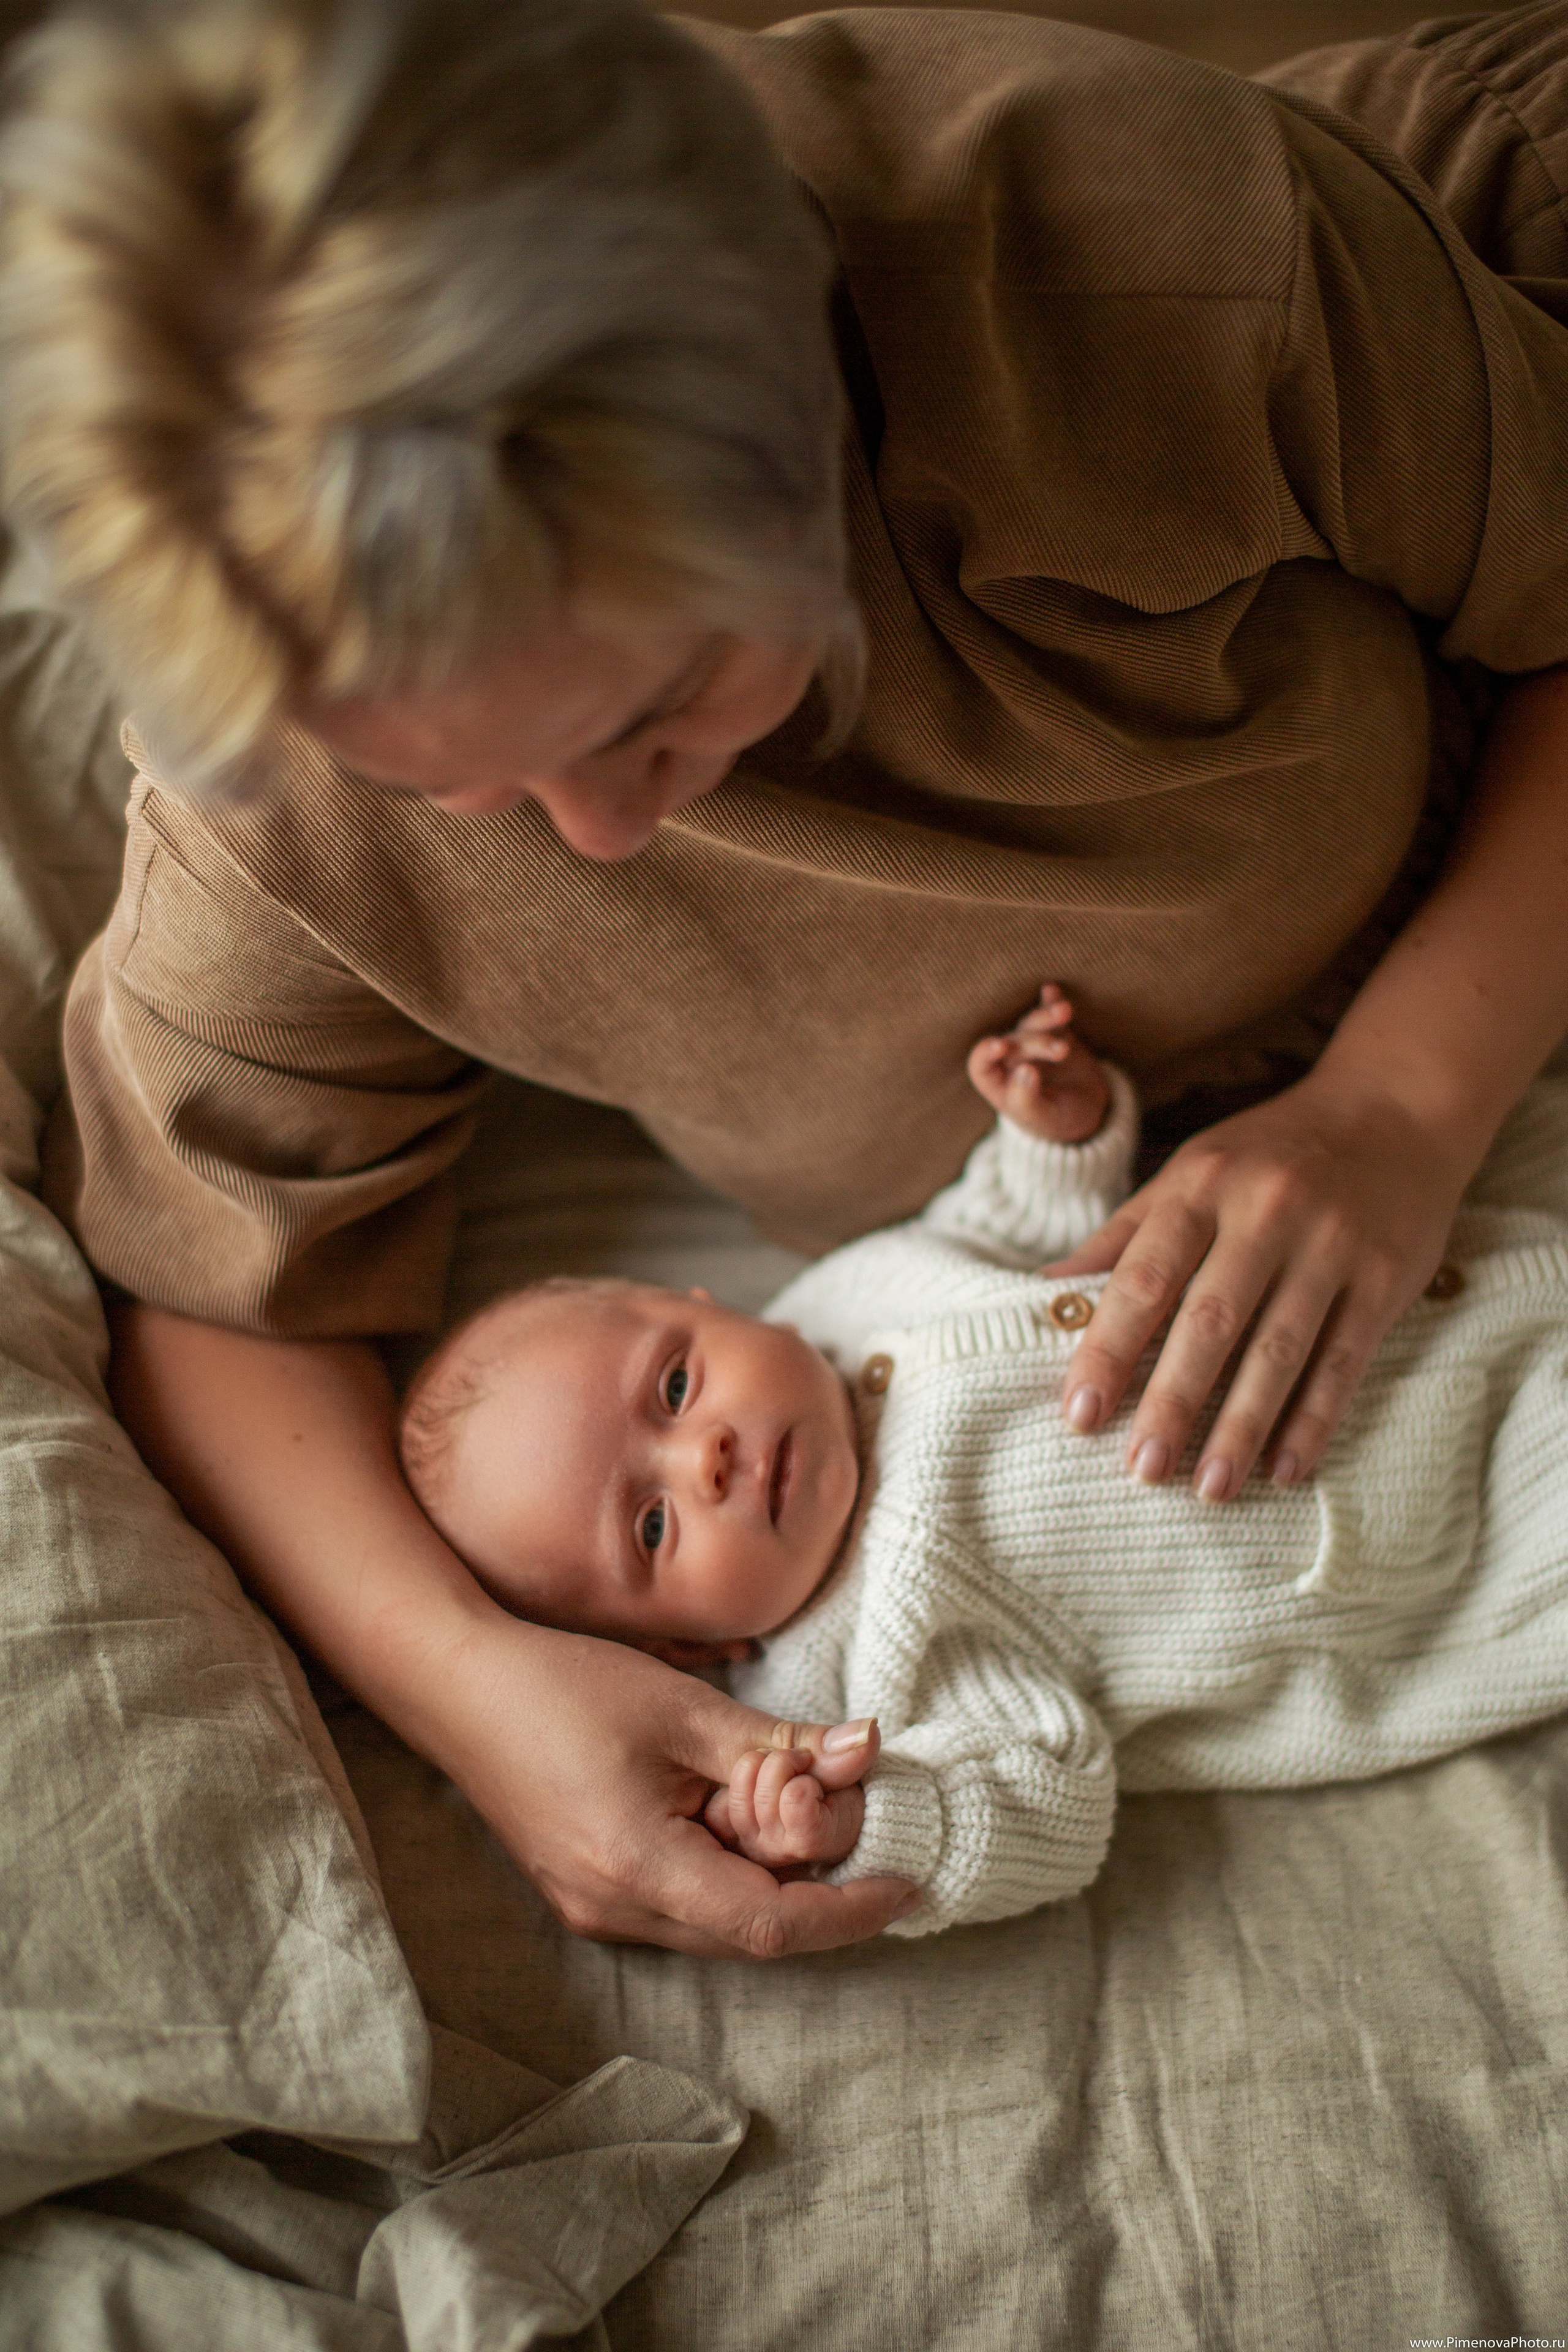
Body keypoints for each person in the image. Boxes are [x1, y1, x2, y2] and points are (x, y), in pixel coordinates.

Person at [7, 0, 1568, 1955]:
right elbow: (214, 1289)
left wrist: (1410, 1098)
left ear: (798, 423)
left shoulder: (1152, 275)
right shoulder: (273, 785)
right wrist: (474, 1691)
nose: (591, 842)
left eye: (660, 709)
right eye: (466, 782)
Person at [386, 989, 1568, 1936]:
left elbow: (1006, 1234)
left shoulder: (846, 1300)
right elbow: (1037, 1800)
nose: (708, 1459)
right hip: (1453, 1523)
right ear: (688, 1650)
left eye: (678, 1386)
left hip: (1436, 1233)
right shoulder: (845, 1678)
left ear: (711, 1305)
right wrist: (865, 1824)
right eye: (651, 1528)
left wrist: (1053, 1137)